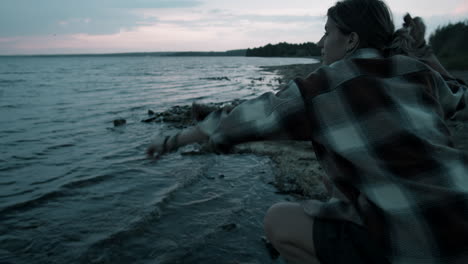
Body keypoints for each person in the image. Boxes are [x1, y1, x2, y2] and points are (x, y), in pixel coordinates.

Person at [147, 0, 468, 263]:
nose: (320, 42)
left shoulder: (322, 87)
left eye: (327, 33)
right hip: (460, 214)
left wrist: (174, 139)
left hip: (420, 244)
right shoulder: (417, 72)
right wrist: (425, 54)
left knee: (278, 220)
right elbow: (459, 94)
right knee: (333, 182)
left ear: (351, 40)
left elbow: (241, 119)